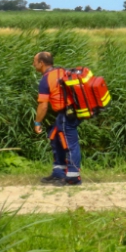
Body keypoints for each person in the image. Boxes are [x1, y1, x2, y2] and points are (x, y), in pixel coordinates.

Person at [32, 51, 82, 186]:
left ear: (41, 63)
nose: (33, 64)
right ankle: (59, 173)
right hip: (68, 112)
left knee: (70, 144)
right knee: (55, 136)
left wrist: (37, 122)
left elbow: (43, 106)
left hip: (68, 114)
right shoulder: (61, 71)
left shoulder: (46, 79)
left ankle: (73, 177)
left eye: (34, 61)